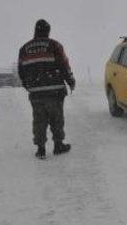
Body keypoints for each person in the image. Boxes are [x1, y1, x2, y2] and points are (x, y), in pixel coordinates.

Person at [18, 19, 75, 159]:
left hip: (36, 92)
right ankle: (58, 145)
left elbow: (21, 70)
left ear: (35, 31)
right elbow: (64, 64)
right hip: (54, 90)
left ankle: (41, 149)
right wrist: (70, 81)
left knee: (39, 120)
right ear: (48, 31)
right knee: (56, 118)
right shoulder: (54, 45)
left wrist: (29, 86)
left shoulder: (24, 48)